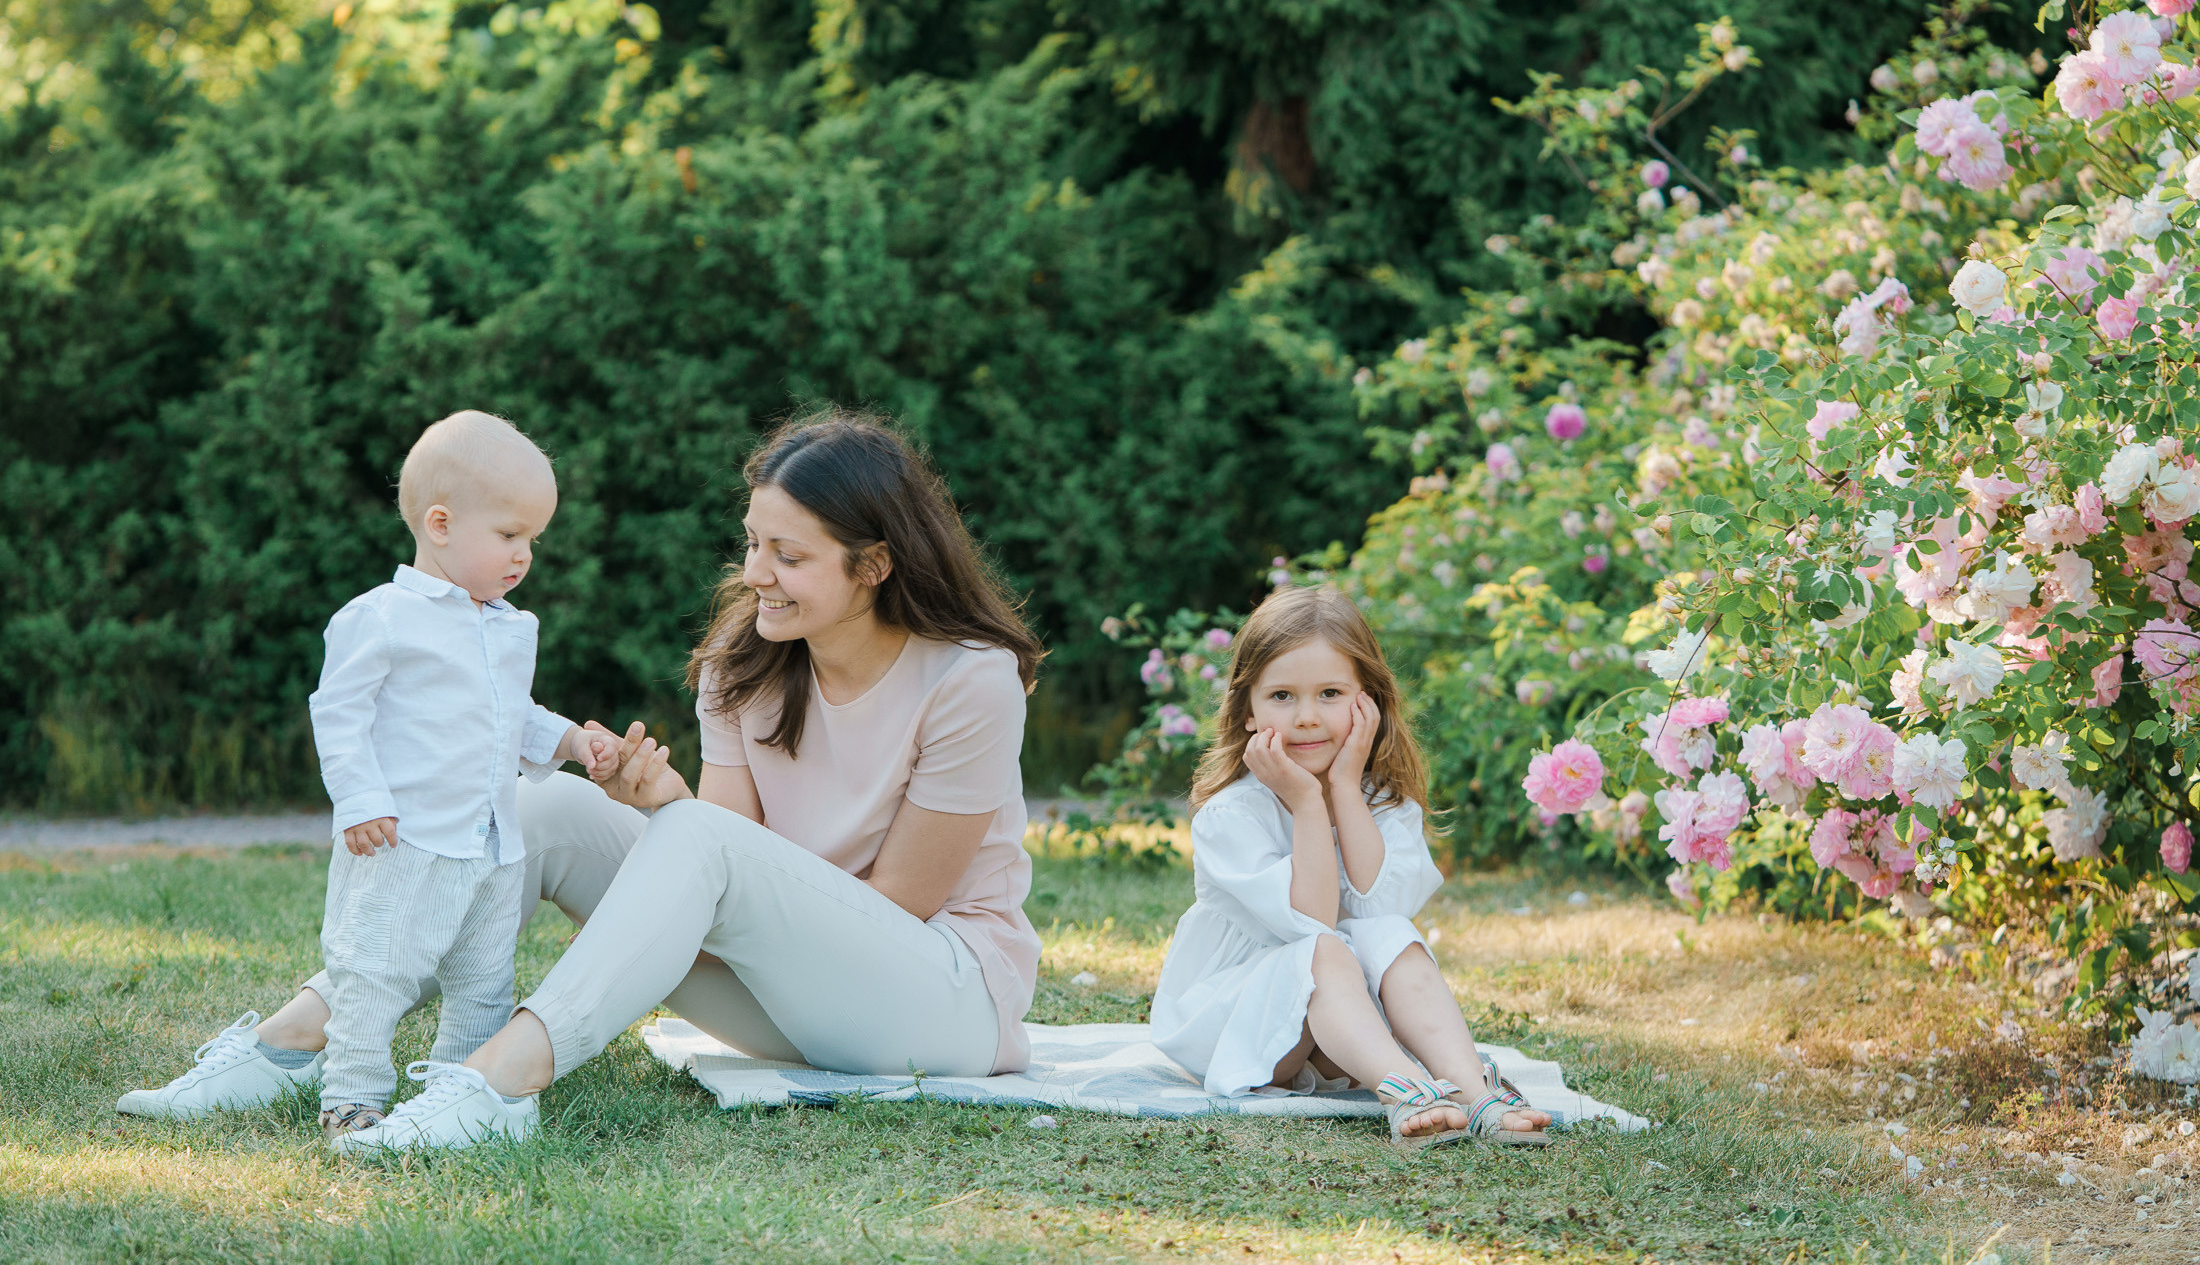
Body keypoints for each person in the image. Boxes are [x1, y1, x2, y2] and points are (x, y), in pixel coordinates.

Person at [150, 411, 1046, 1153]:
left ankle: (499, 1084)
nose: (754, 574)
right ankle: (293, 1041)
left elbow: (895, 904)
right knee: (540, 807)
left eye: (789, 555)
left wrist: (684, 836)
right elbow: (734, 886)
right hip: (790, 996)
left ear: (876, 564)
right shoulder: (744, 665)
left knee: (687, 838)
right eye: (751, 543)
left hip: (936, 1005)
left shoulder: (970, 678)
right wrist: (663, 811)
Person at [116, 411, 620, 1143]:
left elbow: (516, 716)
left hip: (491, 842)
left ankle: (453, 1089)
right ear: (441, 524)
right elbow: (340, 711)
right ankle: (351, 1094)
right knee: (374, 973)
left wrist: (573, 739)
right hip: (401, 838)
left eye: (533, 540)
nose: (524, 556)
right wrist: (360, 798)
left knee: (483, 980)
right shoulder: (381, 618)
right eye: (511, 535)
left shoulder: (510, 626)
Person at [1150, 584, 1553, 1150]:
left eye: (1331, 693)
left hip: (1340, 1022)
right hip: (1237, 1020)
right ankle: (1406, 1090)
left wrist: (1342, 786)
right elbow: (1311, 924)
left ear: (1368, 702)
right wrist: (1308, 803)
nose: (1308, 718)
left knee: (1387, 933)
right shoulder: (1231, 816)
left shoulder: (1379, 801)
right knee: (1325, 949)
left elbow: (1382, 912)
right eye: (1283, 696)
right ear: (1247, 711)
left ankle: (1470, 1091)